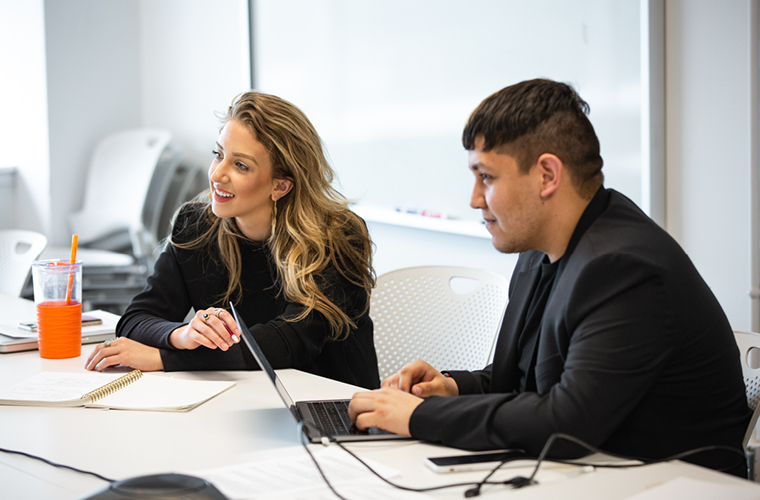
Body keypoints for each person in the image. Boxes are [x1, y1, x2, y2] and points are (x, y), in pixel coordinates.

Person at [348, 78, 751, 474]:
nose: (474, 199)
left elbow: (567, 421)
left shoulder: (625, 269)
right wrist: (452, 388)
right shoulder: (540, 251)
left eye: (486, 176)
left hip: (672, 485)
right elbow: (526, 381)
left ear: (547, 175)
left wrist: (421, 415)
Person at [85, 91, 380, 390]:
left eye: (241, 166)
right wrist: (182, 335)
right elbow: (137, 317)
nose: (217, 174)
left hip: (335, 408)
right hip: (243, 399)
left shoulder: (337, 237)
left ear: (281, 185)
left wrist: (166, 359)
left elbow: (288, 342)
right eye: (218, 154)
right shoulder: (196, 225)